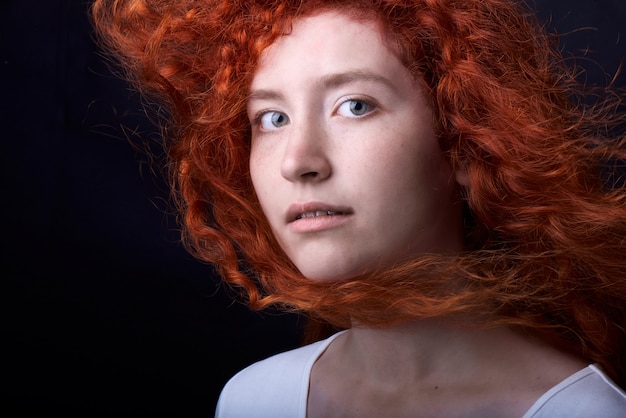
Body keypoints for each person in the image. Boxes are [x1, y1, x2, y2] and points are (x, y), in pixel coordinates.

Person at [90, 0, 626, 416]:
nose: (298, 161)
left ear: (465, 144)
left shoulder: (581, 412)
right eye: (271, 118)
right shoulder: (253, 400)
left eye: (355, 105)